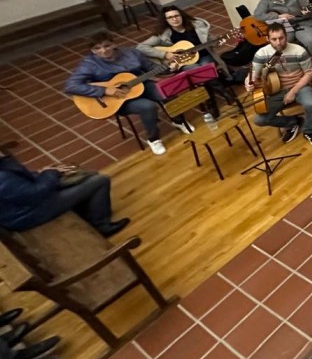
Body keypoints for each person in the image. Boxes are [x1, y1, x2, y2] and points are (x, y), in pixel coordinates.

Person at [65, 32, 192, 156]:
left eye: (106, 46)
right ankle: (153, 139)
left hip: (141, 84)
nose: (103, 51)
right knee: (147, 107)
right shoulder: (89, 64)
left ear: (114, 44)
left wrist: (170, 67)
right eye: (97, 48)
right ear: (92, 50)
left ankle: (178, 121)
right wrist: (104, 90)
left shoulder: (132, 53)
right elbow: (71, 86)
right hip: (117, 100)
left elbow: (151, 68)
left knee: (166, 91)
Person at [0, 153, 129, 237]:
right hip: (31, 213)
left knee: (88, 176)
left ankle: (87, 211)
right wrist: (50, 173)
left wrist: (42, 173)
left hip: (25, 207)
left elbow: (22, 183)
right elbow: (35, 194)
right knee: (100, 181)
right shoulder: (2, 177)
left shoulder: (4, 167)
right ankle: (102, 226)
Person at [245, 24, 312, 147]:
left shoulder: (298, 51)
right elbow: (253, 74)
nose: (278, 42)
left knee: (311, 104)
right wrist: (248, 83)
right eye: (274, 39)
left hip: (299, 86)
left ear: (286, 36)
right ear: (268, 39)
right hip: (275, 91)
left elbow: (309, 73)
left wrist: (293, 91)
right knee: (259, 119)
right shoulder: (262, 53)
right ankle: (292, 122)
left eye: (281, 38)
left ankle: (309, 131)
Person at [253, 0, 312, 74]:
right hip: (283, 26)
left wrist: (303, 13)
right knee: (279, 43)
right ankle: (282, 66)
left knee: (310, 41)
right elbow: (257, 15)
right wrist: (278, 16)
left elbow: (309, 11)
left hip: (303, 22)